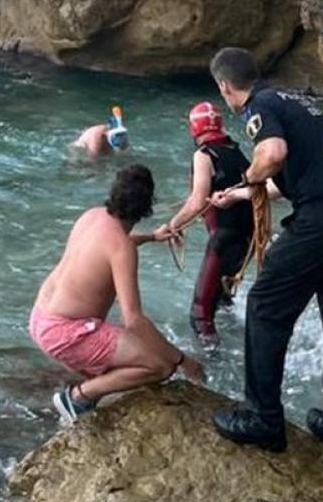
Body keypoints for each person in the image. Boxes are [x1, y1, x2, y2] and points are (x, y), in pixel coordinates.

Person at [206, 47, 323, 459]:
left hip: (321, 221)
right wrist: (243, 194)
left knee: (263, 305)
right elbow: (292, 176)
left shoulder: (257, 107)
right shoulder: (290, 100)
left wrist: (247, 173)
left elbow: (273, 154)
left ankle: (263, 417)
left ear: (225, 87)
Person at [30, 164, 205, 423]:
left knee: (143, 353)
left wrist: (152, 237)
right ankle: (77, 397)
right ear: (146, 208)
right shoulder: (122, 249)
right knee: (159, 366)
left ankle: (95, 380)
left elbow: (106, 247)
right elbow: (133, 320)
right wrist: (182, 359)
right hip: (66, 332)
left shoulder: (92, 216)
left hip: (40, 318)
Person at [155, 102, 254, 341]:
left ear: (194, 129)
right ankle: (244, 340)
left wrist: (174, 223)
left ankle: (216, 368)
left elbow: (198, 201)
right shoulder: (236, 150)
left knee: (200, 315)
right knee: (222, 300)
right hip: (247, 238)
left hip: (224, 239)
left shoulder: (203, 155)